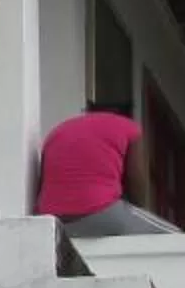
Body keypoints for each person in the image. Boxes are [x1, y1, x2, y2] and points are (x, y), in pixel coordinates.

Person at [37, 98, 175, 238]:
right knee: (176, 236)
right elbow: (137, 179)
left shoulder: (56, 132)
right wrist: (137, 208)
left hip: (52, 222)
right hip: (98, 212)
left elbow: (43, 180)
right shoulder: (129, 127)